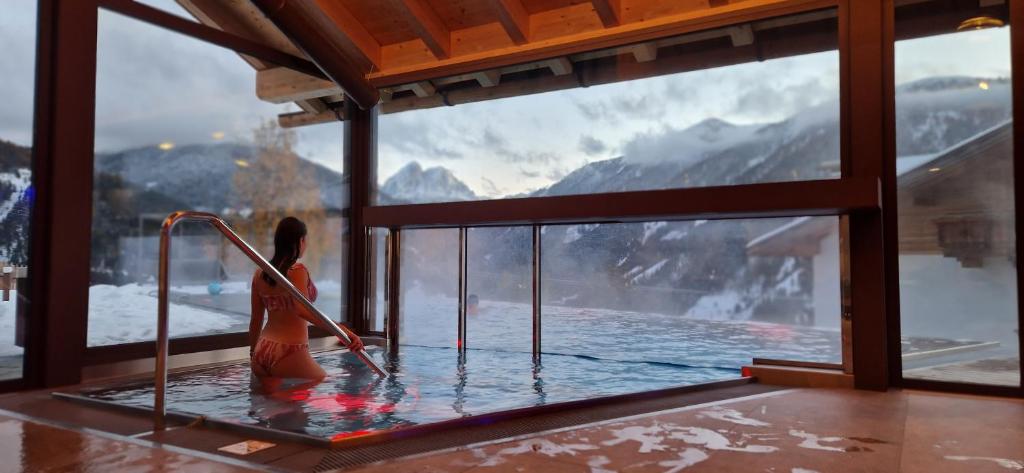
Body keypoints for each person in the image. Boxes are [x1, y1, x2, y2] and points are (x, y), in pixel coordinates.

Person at [249, 217, 363, 391]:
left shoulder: (260, 274)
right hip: (289, 350)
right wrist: (344, 333)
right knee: (321, 384)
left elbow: (256, 320)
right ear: (300, 241)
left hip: (262, 349)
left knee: (272, 406)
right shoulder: (297, 271)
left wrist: (253, 354)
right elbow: (304, 311)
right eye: (306, 239)